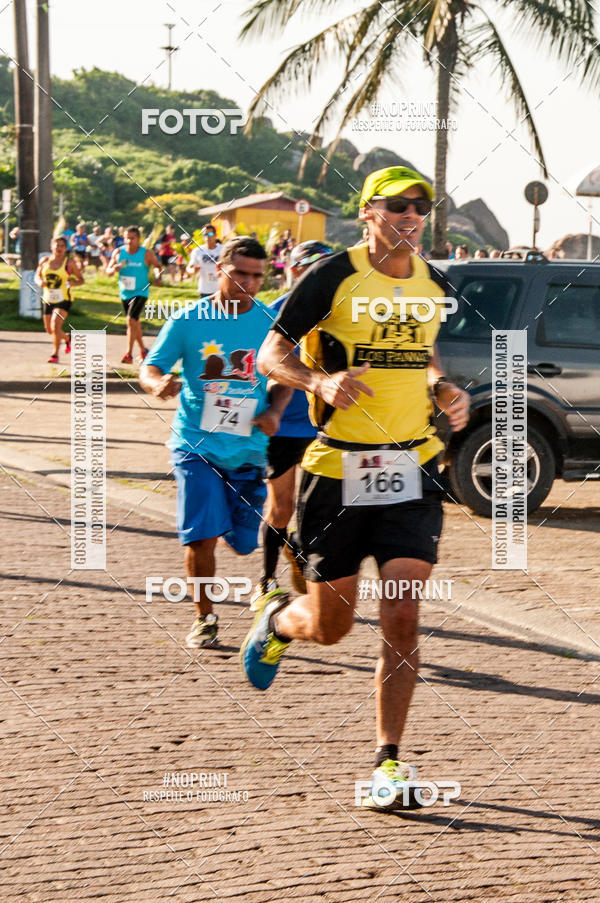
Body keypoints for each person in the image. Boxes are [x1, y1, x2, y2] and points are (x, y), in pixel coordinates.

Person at [242, 166, 470, 810]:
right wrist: (319, 384)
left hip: (412, 470)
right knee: (331, 625)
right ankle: (282, 623)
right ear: (369, 212)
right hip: (336, 471)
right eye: (396, 204)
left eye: (420, 205)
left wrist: (444, 390)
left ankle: (388, 761)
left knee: (401, 613)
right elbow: (270, 354)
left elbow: (422, 358)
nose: (410, 214)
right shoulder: (331, 276)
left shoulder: (432, 284)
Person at [140, 236, 292, 649]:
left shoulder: (270, 324)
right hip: (195, 445)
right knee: (200, 536)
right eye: (240, 272)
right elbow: (150, 366)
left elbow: (284, 377)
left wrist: (275, 410)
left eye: (257, 276)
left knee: (243, 544)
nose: (248, 282)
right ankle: (205, 618)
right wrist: (158, 384)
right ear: (219, 270)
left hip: (248, 451)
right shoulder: (189, 319)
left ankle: (235, 537)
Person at [251, 240, 334, 610]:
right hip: (284, 427)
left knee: (323, 508)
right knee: (281, 509)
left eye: (326, 266)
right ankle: (266, 581)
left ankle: (299, 550)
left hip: (328, 428)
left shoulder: (345, 312)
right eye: (308, 267)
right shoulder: (273, 312)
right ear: (293, 271)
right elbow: (258, 366)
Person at [106, 225, 160, 364]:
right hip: (125, 293)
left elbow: (157, 266)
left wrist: (157, 275)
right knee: (134, 323)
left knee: (130, 320)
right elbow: (108, 271)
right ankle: (144, 351)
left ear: (139, 239)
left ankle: (128, 354)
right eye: (127, 238)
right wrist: (114, 268)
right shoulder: (118, 252)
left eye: (132, 238)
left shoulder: (146, 253)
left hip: (141, 292)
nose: (129, 241)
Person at [36, 235, 84, 363]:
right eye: (57, 245)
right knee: (50, 330)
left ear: (66, 248)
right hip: (48, 298)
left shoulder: (69, 263)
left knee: (55, 324)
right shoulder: (44, 261)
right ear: (51, 246)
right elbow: (37, 275)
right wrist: (39, 282)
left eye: (62, 246)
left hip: (64, 298)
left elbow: (81, 280)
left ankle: (55, 354)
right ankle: (68, 338)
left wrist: (73, 283)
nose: (59, 248)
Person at [186, 224, 221, 294]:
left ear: (215, 235)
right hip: (204, 291)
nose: (207, 237)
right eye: (205, 235)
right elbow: (189, 268)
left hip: (220, 291)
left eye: (210, 234)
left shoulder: (223, 250)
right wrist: (193, 271)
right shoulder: (197, 251)